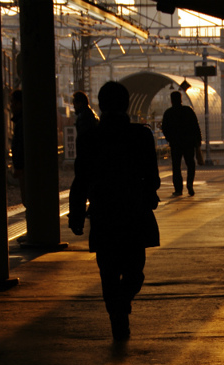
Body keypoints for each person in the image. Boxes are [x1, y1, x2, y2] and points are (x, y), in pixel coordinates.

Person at [68, 81, 161, 342]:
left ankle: (117, 316)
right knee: (135, 271)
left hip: (103, 215)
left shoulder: (89, 139)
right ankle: (123, 303)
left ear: (100, 104)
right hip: (134, 213)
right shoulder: (141, 136)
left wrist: (76, 215)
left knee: (107, 272)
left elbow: (80, 181)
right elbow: (153, 179)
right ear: (127, 104)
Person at [160, 90, 202, 197]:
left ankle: (178, 189)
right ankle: (189, 184)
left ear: (171, 100)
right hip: (189, 143)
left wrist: (170, 139)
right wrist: (198, 142)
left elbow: (164, 128)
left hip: (175, 144)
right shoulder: (188, 111)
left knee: (176, 166)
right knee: (190, 164)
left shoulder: (168, 113)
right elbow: (196, 127)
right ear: (181, 98)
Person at [9, 89, 28, 209]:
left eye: (13, 103)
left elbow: (20, 146)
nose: (11, 106)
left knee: (27, 198)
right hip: (23, 168)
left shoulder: (21, 123)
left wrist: (18, 167)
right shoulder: (22, 121)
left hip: (24, 169)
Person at [71, 90, 98, 156]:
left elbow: (82, 141)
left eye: (74, 104)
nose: (74, 107)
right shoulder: (90, 115)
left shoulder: (83, 118)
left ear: (80, 103)